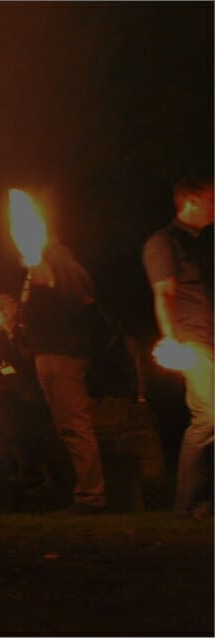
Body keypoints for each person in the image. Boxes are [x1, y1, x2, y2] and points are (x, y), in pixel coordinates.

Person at [143, 176, 214, 519]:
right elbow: (164, 293)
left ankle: (204, 503)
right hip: (194, 342)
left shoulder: (202, 243)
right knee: (209, 416)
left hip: (212, 339)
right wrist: (171, 338)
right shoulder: (163, 242)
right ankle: (187, 503)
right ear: (191, 200)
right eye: (212, 199)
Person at [22, 242, 106, 514]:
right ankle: (85, 492)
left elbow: (27, 312)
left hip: (56, 355)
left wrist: (28, 281)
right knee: (72, 426)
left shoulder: (45, 268)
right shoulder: (77, 274)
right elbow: (89, 309)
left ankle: (91, 496)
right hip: (73, 353)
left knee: (74, 426)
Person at [0, 293, 59, 507]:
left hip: (36, 384)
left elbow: (36, 360)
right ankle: (29, 467)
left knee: (24, 405)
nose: (1, 309)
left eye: (5, 304)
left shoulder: (29, 328)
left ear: (16, 306)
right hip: (8, 387)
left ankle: (30, 470)